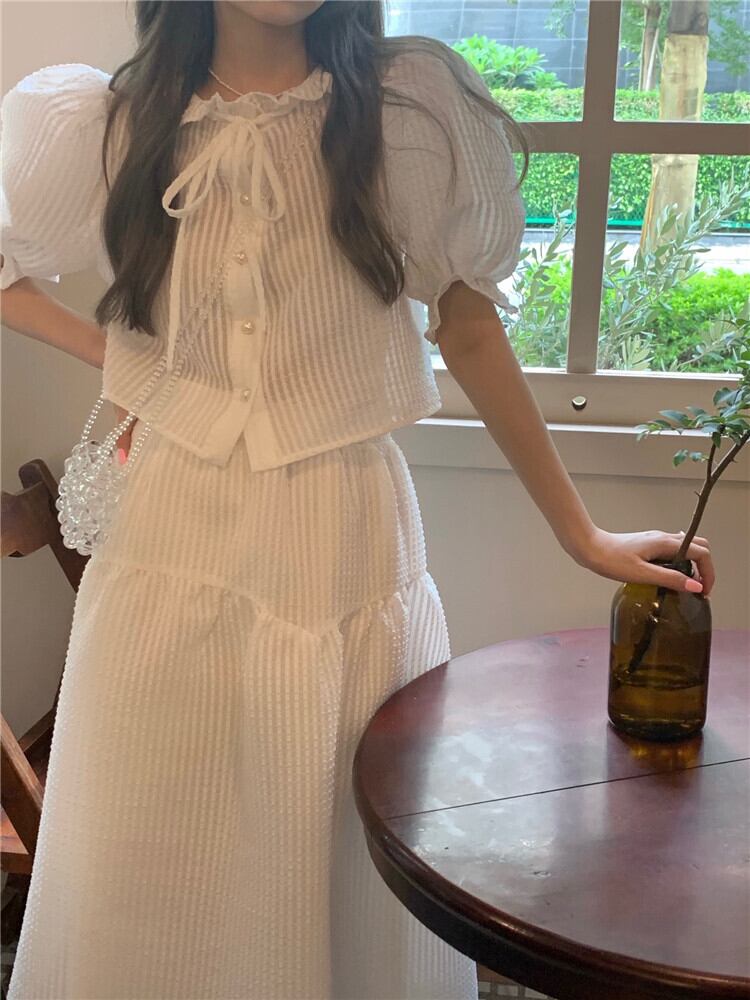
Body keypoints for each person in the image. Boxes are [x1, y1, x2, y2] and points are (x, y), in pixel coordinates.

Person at [0, 2, 715, 998]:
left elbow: (468, 325)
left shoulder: (403, 107)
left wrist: (582, 533)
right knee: (155, 850)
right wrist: (132, 364)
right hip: (165, 538)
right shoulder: (109, 121)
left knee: (338, 844)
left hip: (341, 538)